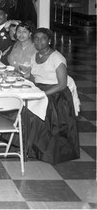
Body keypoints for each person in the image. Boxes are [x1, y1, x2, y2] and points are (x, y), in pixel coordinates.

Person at [24, 28, 79, 164]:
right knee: (21, 103)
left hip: (56, 94)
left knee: (33, 108)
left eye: (43, 38)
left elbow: (62, 84)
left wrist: (42, 94)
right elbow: (33, 78)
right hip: (40, 89)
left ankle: (41, 149)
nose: (39, 41)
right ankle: (28, 146)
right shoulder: (34, 56)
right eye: (36, 38)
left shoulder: (57, 58)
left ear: (49, 41)